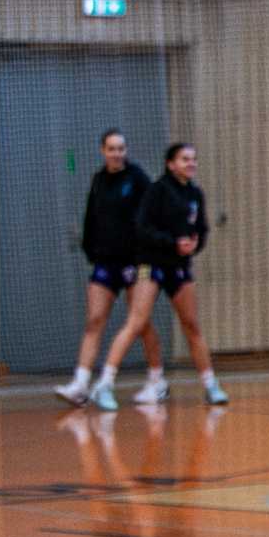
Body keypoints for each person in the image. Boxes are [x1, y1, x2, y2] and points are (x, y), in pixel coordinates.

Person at [93, 143, 224, 410]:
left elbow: (201, 230)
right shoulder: (158, 190)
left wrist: (194, 245)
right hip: (151, 264)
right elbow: (142, 227)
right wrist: (172, 242)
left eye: (193, 159)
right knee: (137, 322)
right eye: (185, 159)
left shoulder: (195, 194)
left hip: (179, 267)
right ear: (171, 164)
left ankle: (211, 385)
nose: (191, 163)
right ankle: (104, 384)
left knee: (192, 325)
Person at [56, 130, 165, 405]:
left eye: (120, 148)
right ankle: (80, 385)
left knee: (141, 322)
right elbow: (90, 218)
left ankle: (157, 380)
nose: (116, 153)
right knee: (94, 321)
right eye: (111, 149)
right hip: (105, 262)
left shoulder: (137, 178)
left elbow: (153, 213)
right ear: (102, 151)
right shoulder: (99, 180)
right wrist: (90, 249)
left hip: (135, 263)